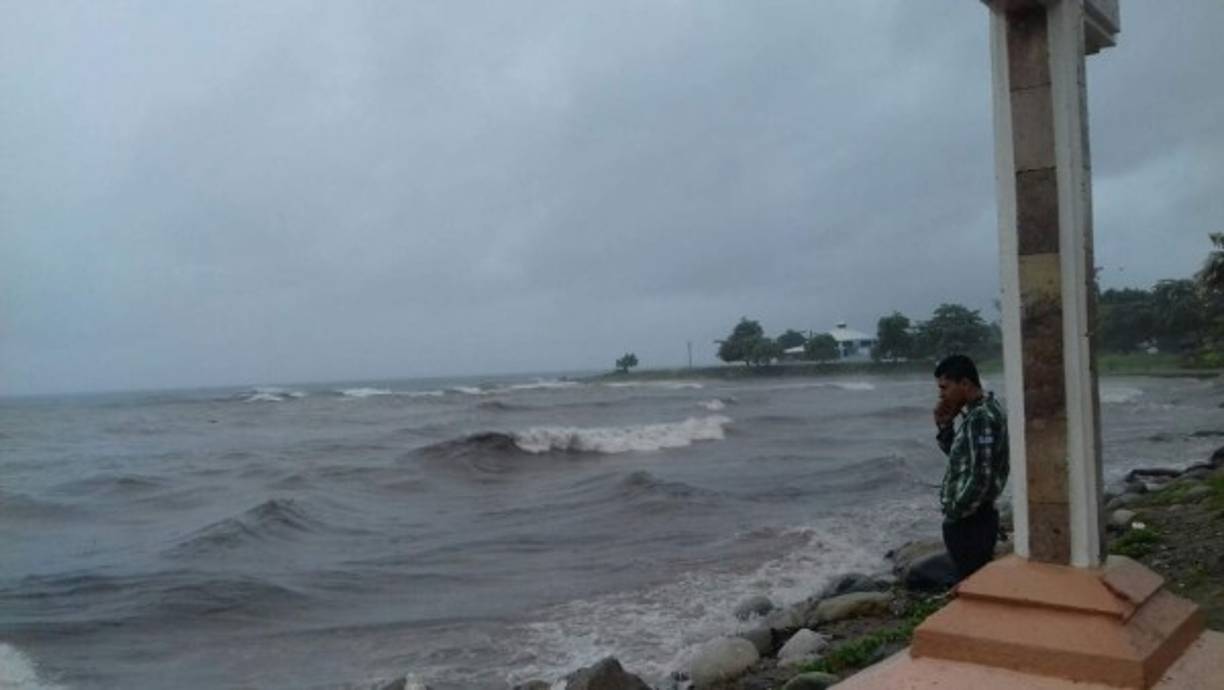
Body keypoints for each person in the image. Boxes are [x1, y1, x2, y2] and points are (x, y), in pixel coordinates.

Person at [933, 354, 1009, 580]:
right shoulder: (982, 410)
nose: (941, 394)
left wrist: (957, 512)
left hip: (972, 523)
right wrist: (945, 426)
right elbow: (962, 459)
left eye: (945, 387)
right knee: (975, 580)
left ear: (965, 384)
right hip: (976, 519)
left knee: (972, 582)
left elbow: (981, 476)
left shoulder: (980, 418)